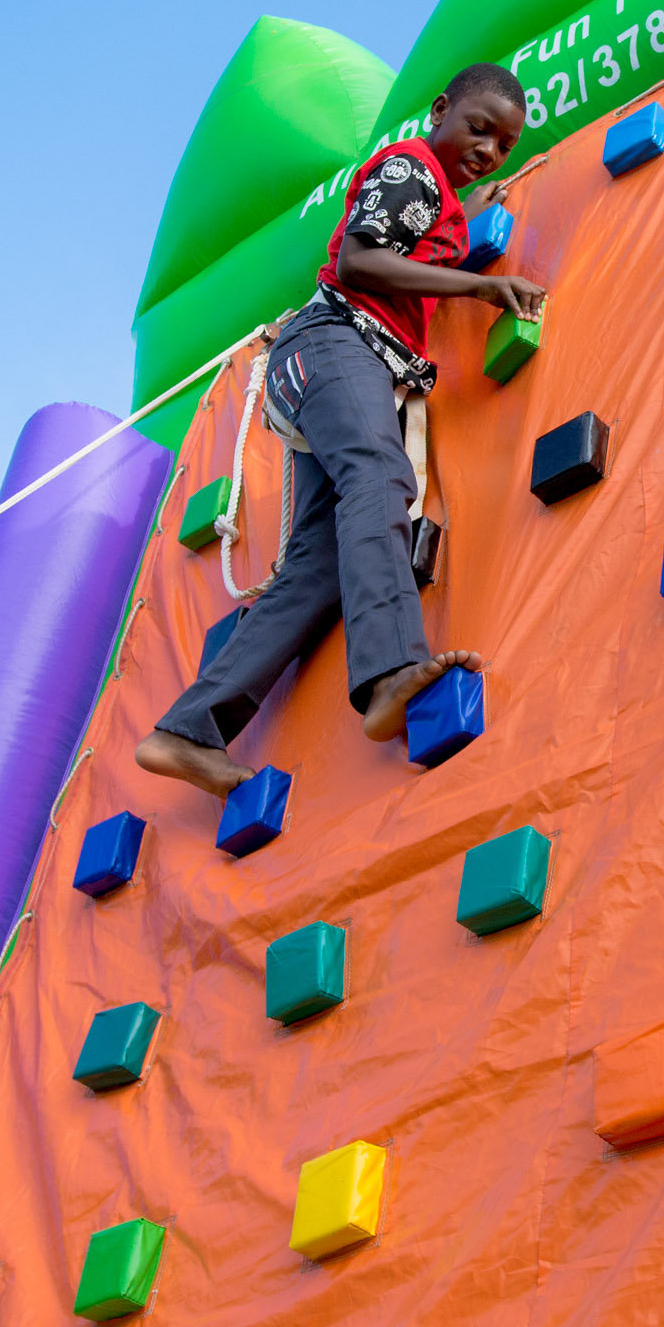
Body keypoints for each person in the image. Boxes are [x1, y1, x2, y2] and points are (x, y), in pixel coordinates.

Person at [135, 63, 549, 798]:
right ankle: (390, 669)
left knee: (320, 562)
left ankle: (189, 731)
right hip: (335, 345)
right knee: (380, 476)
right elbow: (360, 260)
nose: (488, 150)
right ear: (439, 110)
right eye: (478, 129)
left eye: (504, 145)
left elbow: (414, 245)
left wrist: (467, 214)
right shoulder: (410, 167)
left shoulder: (435, 198)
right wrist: (483, 284)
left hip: (329, 367)